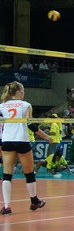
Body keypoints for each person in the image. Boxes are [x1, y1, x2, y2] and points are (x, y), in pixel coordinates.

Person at [0, 82, 53, 215]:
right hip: (22, 140)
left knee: (7, 174)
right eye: (22, 90)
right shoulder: (26, 105)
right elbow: (30, 125)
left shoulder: (2, 106)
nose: (24, 93)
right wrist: (46, 137)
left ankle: (7, 206)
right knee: (29, 173)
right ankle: (34, 201)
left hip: (7, 141)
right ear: (18, 91)